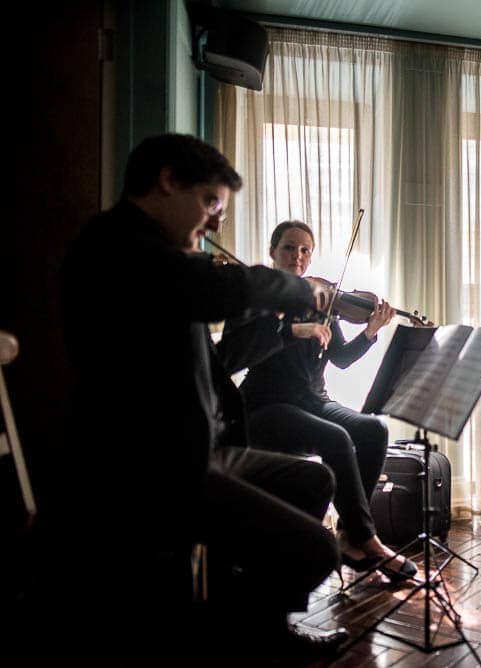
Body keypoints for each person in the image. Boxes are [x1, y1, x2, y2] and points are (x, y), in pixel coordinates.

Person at [53, 134, 349, 663]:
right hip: (145, 469)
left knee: (316, 477)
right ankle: (240, 627)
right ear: (169, 182)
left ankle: (262, 620)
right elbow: (223, 290)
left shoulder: (162, 257)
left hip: (196, 449)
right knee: (317, 548)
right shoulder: (120, 245)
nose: (215, 224)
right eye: (211, 204)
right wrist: (300, 290)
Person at [217, 220, 417, 582]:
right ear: (273, 253)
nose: (297, 256)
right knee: (335, 438)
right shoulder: (256, 296)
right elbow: (238, 354)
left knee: (373, 429)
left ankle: (349, 533)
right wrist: (293, 328)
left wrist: (370, 332)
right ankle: (368, 540)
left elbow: (339, 357)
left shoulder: (320, 298)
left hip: (313, 399)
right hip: (266, 405)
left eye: (305, 250)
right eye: (289, 248)